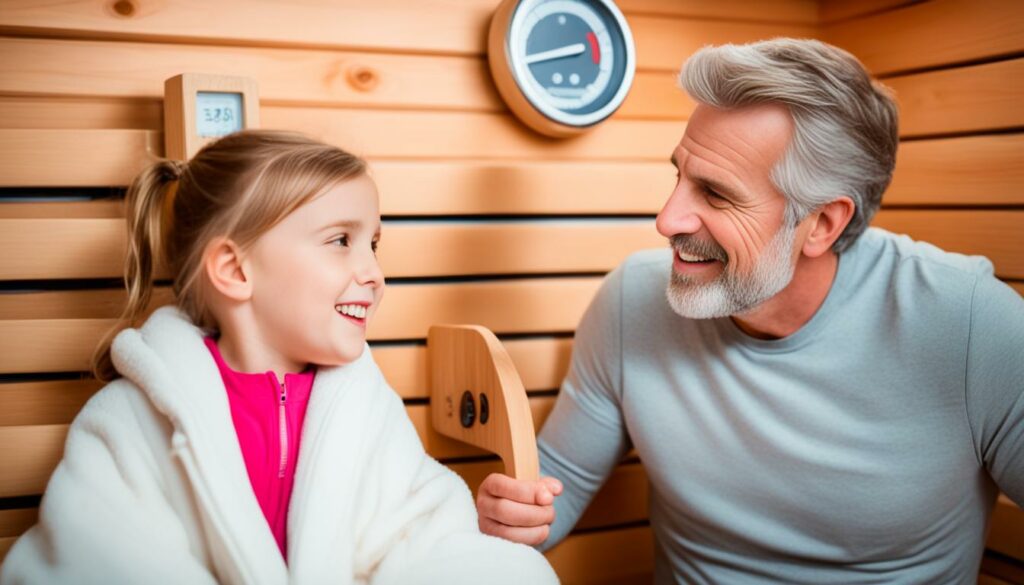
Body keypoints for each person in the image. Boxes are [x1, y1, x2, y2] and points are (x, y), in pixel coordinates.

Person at [476, 38, 1024, 583]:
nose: (668, 221)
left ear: (824, 224)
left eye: (715, 195)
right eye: (679, 177)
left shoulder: (971, 324)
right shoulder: (632, 300)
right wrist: (517, 515)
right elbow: (557, 485)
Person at [1, 131, 557, 585]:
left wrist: (487, 550)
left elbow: (423, 538)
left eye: (374, 244)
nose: (373, 272)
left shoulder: (366, 410)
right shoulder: (130, 421)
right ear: (237, 271)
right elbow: (90, 558)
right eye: (341, 240)